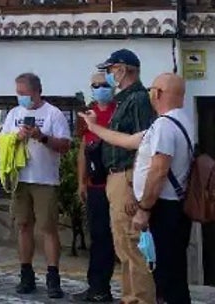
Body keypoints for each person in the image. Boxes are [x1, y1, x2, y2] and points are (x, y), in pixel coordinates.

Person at [82, 73, 195, 304]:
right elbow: (127, 141)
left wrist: (143, 208)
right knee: (172, 273)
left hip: (164, 208)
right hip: (173, 207)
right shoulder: (179, 120)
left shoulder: (165, 125)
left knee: (166, 276)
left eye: (153, 89)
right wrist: (94, 126)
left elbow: (159, 170)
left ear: (158, 93)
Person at [93, 48, 158, 304]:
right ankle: (129, 297)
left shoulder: (139, 99)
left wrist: (134, 188)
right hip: (116, 177)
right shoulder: (124, 100)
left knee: (133, 245)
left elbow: (144, 146)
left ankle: (141, 299)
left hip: (127, 177)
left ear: (123, 68)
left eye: (111, 70)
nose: (109, 75)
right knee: (123, 245)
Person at [0, 72, 71, 298]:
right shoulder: (14, 114)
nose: (21, 98)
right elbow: (2, 141)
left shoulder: (53, 114)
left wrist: (42, 137)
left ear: (37, 92)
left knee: (48, 228)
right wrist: (15, 138)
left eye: (24, 94)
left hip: (45, 180)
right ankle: (26, 274)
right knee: (23, 226)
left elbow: (65, 145)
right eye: (18, 94)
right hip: (21, 179)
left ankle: (53, 277)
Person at [72, 72, 118, 303]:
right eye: (95, 85)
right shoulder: (88, 113)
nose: (100, 88)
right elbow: (83, 148)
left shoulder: (120, 111)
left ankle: (106, 287)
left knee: (114, 238)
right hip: (95, 185)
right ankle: (97, 286)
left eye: (104, 85)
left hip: (116, 183)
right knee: (98, 236)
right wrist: (81, 181)